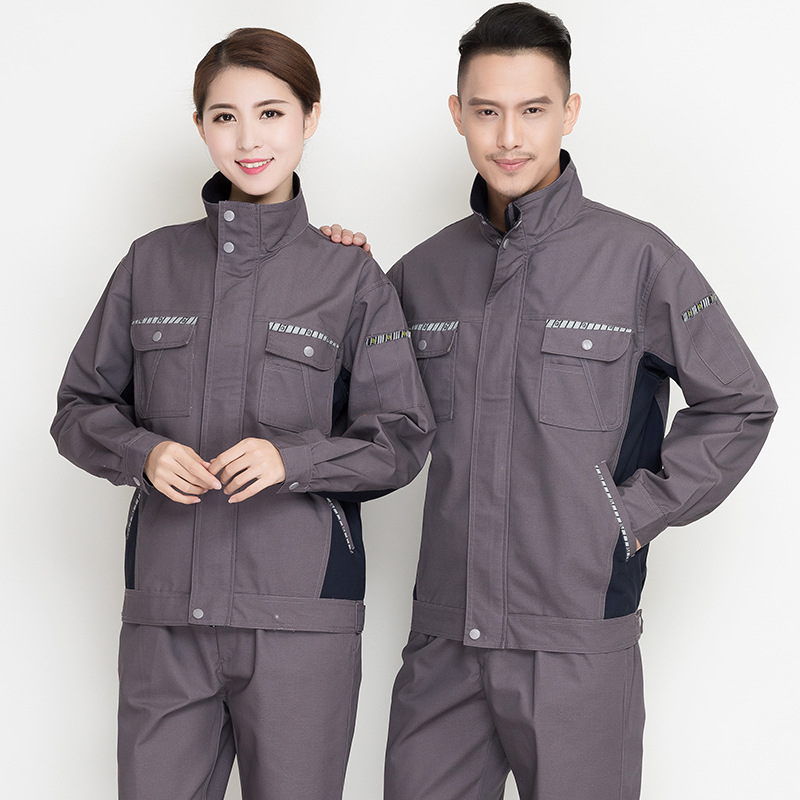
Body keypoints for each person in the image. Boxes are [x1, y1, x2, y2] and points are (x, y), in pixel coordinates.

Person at [326, 3, 776, 798]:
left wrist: (629, 516)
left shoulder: (639, 259)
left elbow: (740, 402)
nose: (509, 136)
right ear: (457, 114)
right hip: (445, 641)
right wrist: (328, 275)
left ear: (569, 113)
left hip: (577, 640)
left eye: (533, 110)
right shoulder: (422, 273)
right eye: (487, 111)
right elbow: (351, 415)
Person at [50, 27, 434, 800]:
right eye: (225, 117)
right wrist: (143, 454)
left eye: (271, 113)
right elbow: (78, 408)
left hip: (302, 622)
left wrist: (294, 460)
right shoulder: (150, 263)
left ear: (310, 118)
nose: (249, 139)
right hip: (166, 617)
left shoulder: (350, 277)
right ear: (200, 125)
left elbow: (401, 437)